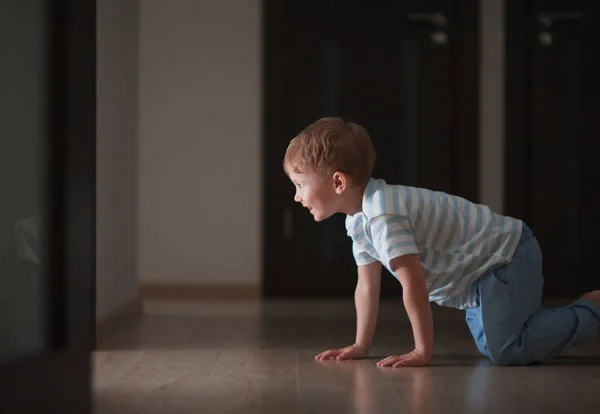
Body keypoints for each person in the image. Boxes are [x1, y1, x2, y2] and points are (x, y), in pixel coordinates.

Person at [282, 117, 600, 367]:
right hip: (481, 273)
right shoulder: (359, 221)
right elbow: (367, 286)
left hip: (507, 253)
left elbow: (414, 285)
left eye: (299, 184)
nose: (296, 196)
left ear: (338, 182)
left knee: (506, 350)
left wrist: (422, 351)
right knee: (493, 346)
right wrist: (361, 345)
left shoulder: (383, 214)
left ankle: (592, 309)